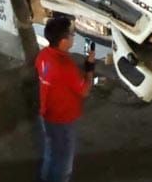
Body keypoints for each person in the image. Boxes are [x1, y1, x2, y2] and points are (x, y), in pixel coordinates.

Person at [36, 16, 95, 182]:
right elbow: (84, 91)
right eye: (71, 34)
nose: (73, 37)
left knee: (51, 153)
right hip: (63, 119)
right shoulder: (65, 66)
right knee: (63, 163)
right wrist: (90, 68)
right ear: (63, 41)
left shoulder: (43, 55)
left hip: (46, 114)